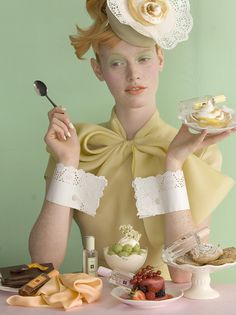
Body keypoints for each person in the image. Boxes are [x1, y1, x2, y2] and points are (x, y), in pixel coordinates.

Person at [29, 0, 235, 282]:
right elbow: (44, 262)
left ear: (160, 58)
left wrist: (173, 165)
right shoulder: (79, 147)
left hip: (165, 304)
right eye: (116, 62)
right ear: (98, 70)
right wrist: (67, 165)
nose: (133, 74)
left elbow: (183, 275)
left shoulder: (198, 152)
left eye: (143, 58)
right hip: (94, 300)